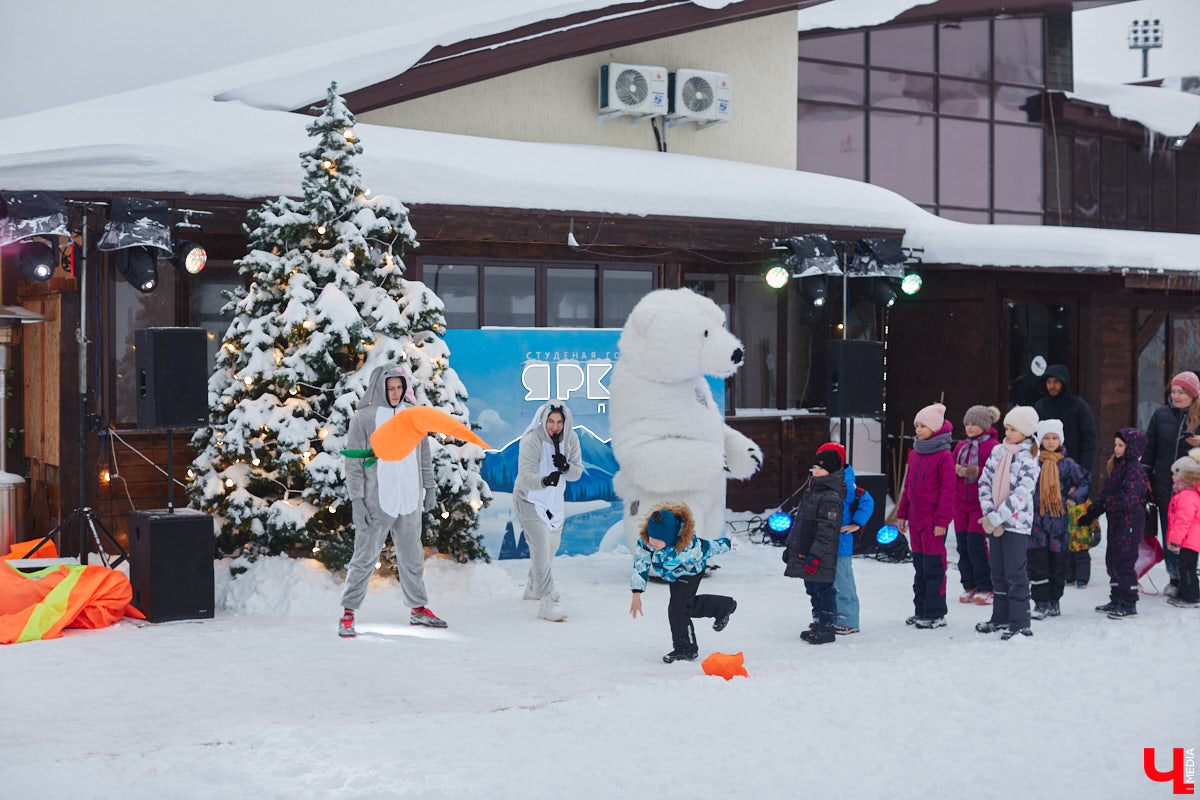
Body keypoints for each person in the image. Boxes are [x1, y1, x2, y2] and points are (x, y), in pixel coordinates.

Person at [339, 364, 444, 638]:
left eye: (399, 387)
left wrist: (429, 488)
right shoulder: (364, 419)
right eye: (390, 388)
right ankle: (348, 613)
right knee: (363, 557)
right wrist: (356, 500)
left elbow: (423, 457)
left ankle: (418, 609)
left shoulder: (413, 417)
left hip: (410, 499)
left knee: (412, 557)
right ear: (380, 387)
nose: (395, 393)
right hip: (377, 502)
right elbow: (354, 463)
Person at [629, 505, 736, 663]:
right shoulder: (647, 541)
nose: (654, 543)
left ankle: (687, 649)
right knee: (686, 606)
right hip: (673, 575)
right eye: (652, 537)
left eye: (659, 540)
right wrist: (636, 593)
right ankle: (723, 606)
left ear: (670, 536)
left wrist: (726, 544)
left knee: (677, 609)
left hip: (691, 572)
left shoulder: (690, 547)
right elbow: (641, 563)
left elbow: (709, 547)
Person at [513, 402, 583, 622]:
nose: (555, 426)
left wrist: (566, 468)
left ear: (566, 422)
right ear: (543, 420)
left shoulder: (571, 439)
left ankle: (533, 586)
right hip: (528, 499)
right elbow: (524, 476)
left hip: (553, 503)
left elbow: (577, 472)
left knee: (550, 550)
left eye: (559, 422)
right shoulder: (531, 441)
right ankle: (547, 602)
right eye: (551, 421)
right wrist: (544, 480)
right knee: (541, 546)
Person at [975, 406, 1040, 640]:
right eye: (1007, 428)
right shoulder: (997, 452)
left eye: (1014, 429)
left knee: (1015, 572)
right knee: (998, 571)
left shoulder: (1030, 459)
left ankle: (1020, 622)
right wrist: (988, 512)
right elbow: (984, 482)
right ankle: (1000, 618)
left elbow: (1022, 495)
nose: (1008, 433)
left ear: (1026, 432)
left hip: (1016, 524)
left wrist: (997, 517)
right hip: (993, 522)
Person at [1034, 364, 1098, 588]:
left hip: (1075, 472)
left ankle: (1080, 572)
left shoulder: (1078, 406)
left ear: (1065, 383)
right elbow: (1033, 440)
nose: (1052, 386)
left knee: (1076, 525)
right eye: (1049, 382)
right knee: (1055, 525)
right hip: (1048, 475)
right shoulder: (1041, 406)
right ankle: (1063, 571)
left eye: (1056, 381)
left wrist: (1084, 473)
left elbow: (1090, 440)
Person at [1079, 428, 1152, 620]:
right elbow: (1106, 492)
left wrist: (1106, 504)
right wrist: (1093, 511)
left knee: (1123, 562)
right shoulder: (1119, 466)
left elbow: (1127, 499)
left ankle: (1129, 602)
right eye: (1116, 445)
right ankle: (1117, 598)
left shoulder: (1134, 470)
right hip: (1117, 522)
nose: (1116, 448)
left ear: (1132, 448)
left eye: (1121, 445)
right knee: (1112, 562)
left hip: (1129, 523)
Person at [896, 403, 956, 629]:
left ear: (935, 428)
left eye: (923, 426)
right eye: (916, 426)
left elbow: (948, 491)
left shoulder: (944, 456)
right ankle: (920, 609)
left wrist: (942, 521)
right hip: (916, 521)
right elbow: (908, 485)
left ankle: (935, 613)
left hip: (933, 523)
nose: (918, 430)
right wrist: (902, 514)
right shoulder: (916, 453)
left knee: (934, 567)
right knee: (920, 567)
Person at [1141, 371, 1200, 597]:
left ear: (1193, 395)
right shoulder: (1160, 415)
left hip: (1194, 486)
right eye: (1174, 391)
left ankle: (1191, 576)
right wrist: (1145, 474)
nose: (1176, 396)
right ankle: (1175, 577)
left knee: (1193, 531)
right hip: (1165, 484)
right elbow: (1149, 447)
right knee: (1171, 530)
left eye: (1182, 392)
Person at [784, 447, 848, 644]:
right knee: (812, 589)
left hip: (820, 555)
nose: (816, 472)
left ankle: (827, 626)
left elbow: (826, 531)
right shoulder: (813, 490)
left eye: (820, 469)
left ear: (831, 471)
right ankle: (819, 622)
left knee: (823, 590)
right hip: (806, 551)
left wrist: (816, 556)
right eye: (814, 468)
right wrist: (791, 548)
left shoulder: (830, 496)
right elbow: (801, 524)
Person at [1028, 419, 1090, 620]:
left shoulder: (1067, 464)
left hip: (1058, 520)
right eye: (1046, 438)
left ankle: (1054, 600)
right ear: (1040, 440)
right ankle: (1040, 602)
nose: (1051, 441)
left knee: (1057, 563)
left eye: (1054, 438)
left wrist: (1073, 497)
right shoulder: (1033, 462)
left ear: (1060, 440)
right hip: (1036, 520)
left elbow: (1084, 481)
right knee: (1037, 562)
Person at [814, 442, 873, 635]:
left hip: (841, 542)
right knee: (825, 582)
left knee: (842, 581)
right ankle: (829, 616)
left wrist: (857, 523)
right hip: (822, 542)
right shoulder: (818, 480)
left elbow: (867, 500)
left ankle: (849, 619)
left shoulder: (846, 483)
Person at [952, 405, 1000, 605]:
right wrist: (953, 468)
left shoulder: (993, 447)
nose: (970, 428)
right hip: (959, 501)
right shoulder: (961, 446)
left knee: (976, 545)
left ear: (985, 425)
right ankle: (969, 584)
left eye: (975, 424)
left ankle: (986, 586)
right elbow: (951, 466)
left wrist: (974, 471)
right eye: (967, 424)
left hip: (980, 503)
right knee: (962, 545)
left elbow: (997, 472)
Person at [1166, 448, 1200, 608]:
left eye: (1176, 474)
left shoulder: (1187, 496)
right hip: (1188, 540)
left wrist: (1174, 540)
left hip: (1188, 541)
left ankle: (1190, 597)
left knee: (1187, 569)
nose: (1173, 477)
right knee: (1185, 567)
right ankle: (1183, 593)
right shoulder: (1185, 494)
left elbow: (1183, 521)